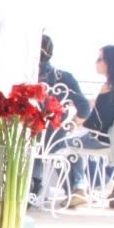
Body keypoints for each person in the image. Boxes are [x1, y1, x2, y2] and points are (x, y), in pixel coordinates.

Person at [33, 34, 92, 196]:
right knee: (67, 146)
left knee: (38, 144)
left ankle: (33, 188)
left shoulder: (25, 77)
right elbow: (85, 108)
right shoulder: (64, 77)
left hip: (27, 140)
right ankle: (76, 188)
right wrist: (70, 124)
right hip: (54, 140)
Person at [71, 43, 114, 204]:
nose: (96, 62)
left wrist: (76, 121)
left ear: (111, 62)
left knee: (64, 145)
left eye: (100, 59)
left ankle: (79, 186)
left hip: (103, 140)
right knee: (78, 143)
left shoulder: (108, 88)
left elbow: (95, 124)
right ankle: (93, 185)